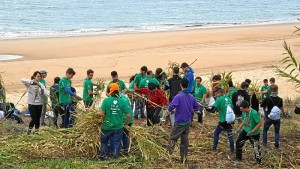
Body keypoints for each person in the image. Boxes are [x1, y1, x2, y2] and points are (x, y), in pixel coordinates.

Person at [167, 78, 200, 163]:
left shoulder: (178, 96)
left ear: (181, 85)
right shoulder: (191, 96)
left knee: (173, 138)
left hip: (180, 122)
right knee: (184, 141)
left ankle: (167, 155)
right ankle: (184, 157)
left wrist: (170, 111)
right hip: (187, 122)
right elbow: (197, 108)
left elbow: (171, 107)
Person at [97, 83, 130, 160]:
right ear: (118, 91)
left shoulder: (106, 100)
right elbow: (128, 115)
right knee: (116, 142)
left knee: (104, 141)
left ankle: (103, 156)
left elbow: (101, 114)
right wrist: (125, 124)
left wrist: (97, 113)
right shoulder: (122, 101)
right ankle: (115, 156)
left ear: (110, 91)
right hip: (118, 126)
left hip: (106, 126)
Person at [209, 88, 234, 153]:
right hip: (230, 120)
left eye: (215, 93)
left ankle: (214, 148)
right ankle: (232, 150)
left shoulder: (219, 99)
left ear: (219, 93)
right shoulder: (228, 98)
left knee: (216, 133)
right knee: (230, 135)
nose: (215, 94)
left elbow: (213, 110)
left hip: (223, 120)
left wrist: (206, 109)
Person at [261, 84, 283, 149]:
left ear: (270, 90)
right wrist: (283, 114)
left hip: (269, 117)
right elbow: (281, 108)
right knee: (277, 132)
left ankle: (264, 144)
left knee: (265, 130)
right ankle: (276, 145)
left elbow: (262, 106)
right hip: (277, 118)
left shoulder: (267, 98)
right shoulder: (280, 99)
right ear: (277, 90)